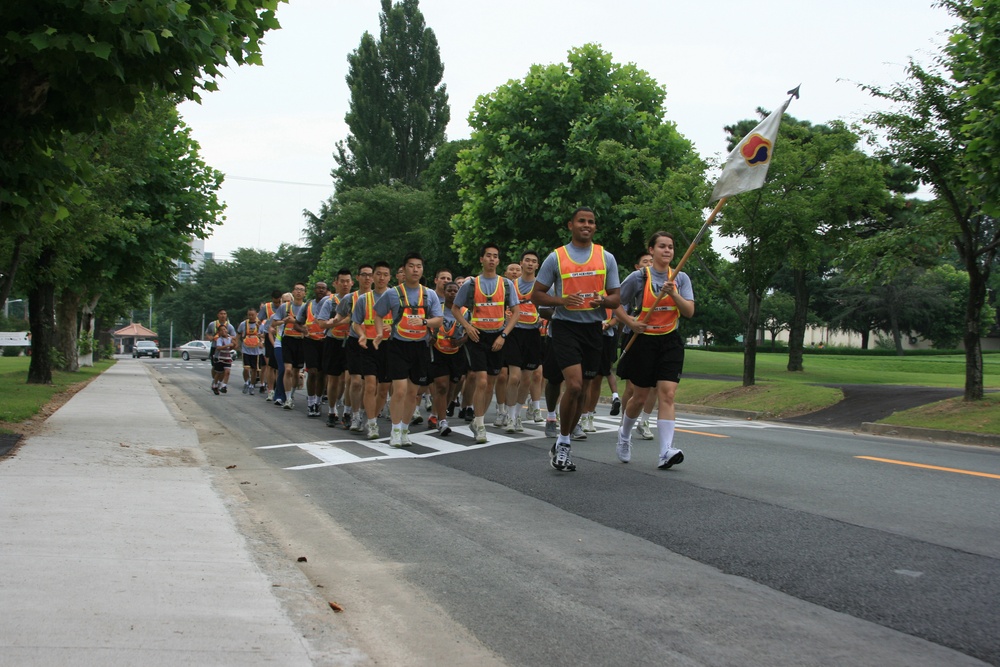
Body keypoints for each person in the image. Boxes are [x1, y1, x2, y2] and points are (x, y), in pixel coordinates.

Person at [531, 207, 621, 472]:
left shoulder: (606, 257)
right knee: (574, 383)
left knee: (582, 389)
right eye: (581, 221)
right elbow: (537, 295)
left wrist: (603, 300)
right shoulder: (556, 257)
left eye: (591, 222)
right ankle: (564, 444)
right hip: (565, 327)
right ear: (570, 225)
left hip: (594, 329)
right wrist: (561, 300)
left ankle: (563, 438)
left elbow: (616, 298)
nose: (587, 225)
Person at [614, 231, 695, 469]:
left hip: (670, 340)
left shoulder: (681, 278)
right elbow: (615, 303)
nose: (667, 251)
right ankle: (625, 435)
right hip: (643, 340)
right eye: (662, 246)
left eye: (670, 247)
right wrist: (630, 322)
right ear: (651, 250)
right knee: (639, 397)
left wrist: (674, 294)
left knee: (667, 394)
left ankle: (665, 452)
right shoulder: (638, 278)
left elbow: (689, 311)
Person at [374, 252, 443, 447]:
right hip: (398, 345)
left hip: (420, 346)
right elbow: (378, 314)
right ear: (403, 270)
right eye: (411, 266)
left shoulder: (429, 294)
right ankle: (395, 430)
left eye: (419, 266)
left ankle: (405, 429)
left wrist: (423, 321)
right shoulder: (392, 293)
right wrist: (380, 333)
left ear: (422, 270)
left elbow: (438, 320)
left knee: (413, 393)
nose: (415, 270)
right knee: (400, 390)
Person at [452, 243, 519, 444]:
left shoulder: (506, 284)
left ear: (499, 260)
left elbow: (515, 313)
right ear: (481, 259)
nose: (491, 259)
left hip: (497, 336)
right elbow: (456, 308)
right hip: (477, 336)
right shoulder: (471, 284)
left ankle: (478, 419)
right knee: (481, 380)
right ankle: (480, 424)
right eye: (488, 256)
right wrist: (467, 326)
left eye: (495, 256)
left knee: (490, 382)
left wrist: (504, 335)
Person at [350, 261, 394, 440]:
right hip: (368, 345)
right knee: (369, 385)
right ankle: (372, 423)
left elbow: (400, 321)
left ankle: (372, 417)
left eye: (385, 274)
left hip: (389, 346)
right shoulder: (364, 299)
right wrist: (360, 334)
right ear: (373, 276)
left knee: (383, 389)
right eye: (378, 274)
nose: (381, 278)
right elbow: (356, 322)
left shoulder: (395, 297)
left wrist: (393, 329)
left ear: (389, 277)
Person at [502, 250, 544, 433]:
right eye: (526, 260)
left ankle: (517, 414)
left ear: (537, 266)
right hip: (514, 332)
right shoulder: (511, 286)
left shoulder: (541, 287)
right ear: (521, 263)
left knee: (527, 380)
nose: (529, 264)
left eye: (533, 261)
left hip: (533, 334)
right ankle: (509, 416)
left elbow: (548, 307)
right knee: (514, 377)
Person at [430, 281, 467, 437]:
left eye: (455, 291)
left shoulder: (465, 311)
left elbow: (470, 331)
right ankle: (442, 420)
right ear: (443, 292)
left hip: (456, 351)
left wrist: (461, 340)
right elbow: (428, 326)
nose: (452, 293)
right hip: (439, 350)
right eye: (449, 291)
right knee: (441, 386)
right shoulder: (436, 309)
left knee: (453, 386)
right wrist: (430, 336)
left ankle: (443, 409)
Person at [319, 268, 354, 427]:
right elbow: (321, 324)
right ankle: (332, 410)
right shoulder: (330, 302)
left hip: (352, 342)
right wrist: (342, 321)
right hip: (333, 342)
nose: (345, 284)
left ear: (352, 283)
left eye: (348, 281)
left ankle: (347, 412)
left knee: (350, 379)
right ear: (336, 283)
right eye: (342, 281)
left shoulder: (357, 299)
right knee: (333, 380)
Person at [298, 281, 328, 417]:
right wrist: (303, 330)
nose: (321, 290)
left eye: (323, 288)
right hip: (310, 341)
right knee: (313, 372)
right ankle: (311, 402)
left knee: (322, 374)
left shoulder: (331, 304)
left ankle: (318, 401)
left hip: (325, 341)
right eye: (319, 288)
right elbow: (297, 324)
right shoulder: (308, 305)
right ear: (314, 290)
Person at [205, 309, 236, 394]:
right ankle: (215, 380)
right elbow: (207, 333)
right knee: (215, 367)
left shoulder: (229, 326)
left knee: (225, 369)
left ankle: (220, 383)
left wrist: (231, 341)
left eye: (225, 314)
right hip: (215, 348)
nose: (223, 315)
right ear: (218, 315)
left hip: (226, 351)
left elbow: (234, 336)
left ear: (226, 315)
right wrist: (210, 337)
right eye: (221, 314)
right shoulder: (212, 324)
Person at [237, 308, 264, 394]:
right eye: (249, 315)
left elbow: (264, 335)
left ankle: (252, 385)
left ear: (256, 314)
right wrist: (236, 343)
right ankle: (246, 382)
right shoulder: (243, 324)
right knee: (246, 368)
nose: (251, 316)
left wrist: (262, 342)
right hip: (246, 350)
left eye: (253, 315)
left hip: (256, 351)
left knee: (254, 369)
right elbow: (238, 334)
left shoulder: (260, 324)